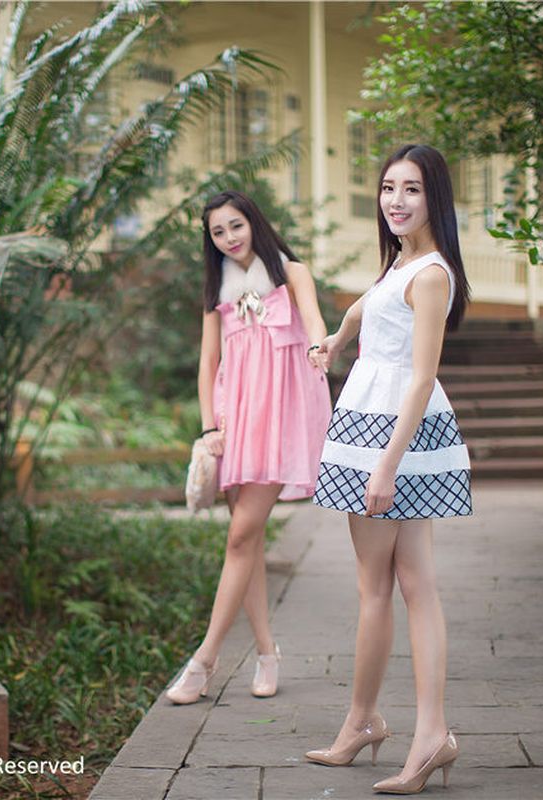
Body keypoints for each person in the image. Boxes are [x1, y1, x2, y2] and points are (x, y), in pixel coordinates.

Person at [305, 144, 473, 795]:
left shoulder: (430, 274)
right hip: (376, 430)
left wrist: (385, 467)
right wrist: (338, 340)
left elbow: (424, 375)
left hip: (389, 437)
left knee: (383, 587)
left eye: (410, 189)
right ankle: (382, 725)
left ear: (435, 197)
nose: (395, 200)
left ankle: (389, 726)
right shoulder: (401, 264)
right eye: (387, 188)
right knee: (409, 584)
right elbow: (365, 307)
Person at [165, 189, 332, 704]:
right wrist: (208, 427)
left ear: (253, 222)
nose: (229, 238)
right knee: (249, 542)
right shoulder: (218, 291)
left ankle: (204, 661)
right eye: (218, 232)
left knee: (239, 537)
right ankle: (266, 654)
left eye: (235, 225)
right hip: (234, 420)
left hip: (279, 419)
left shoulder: (291, 273)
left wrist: (321, 347)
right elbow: (207, 362)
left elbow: (315, 323)